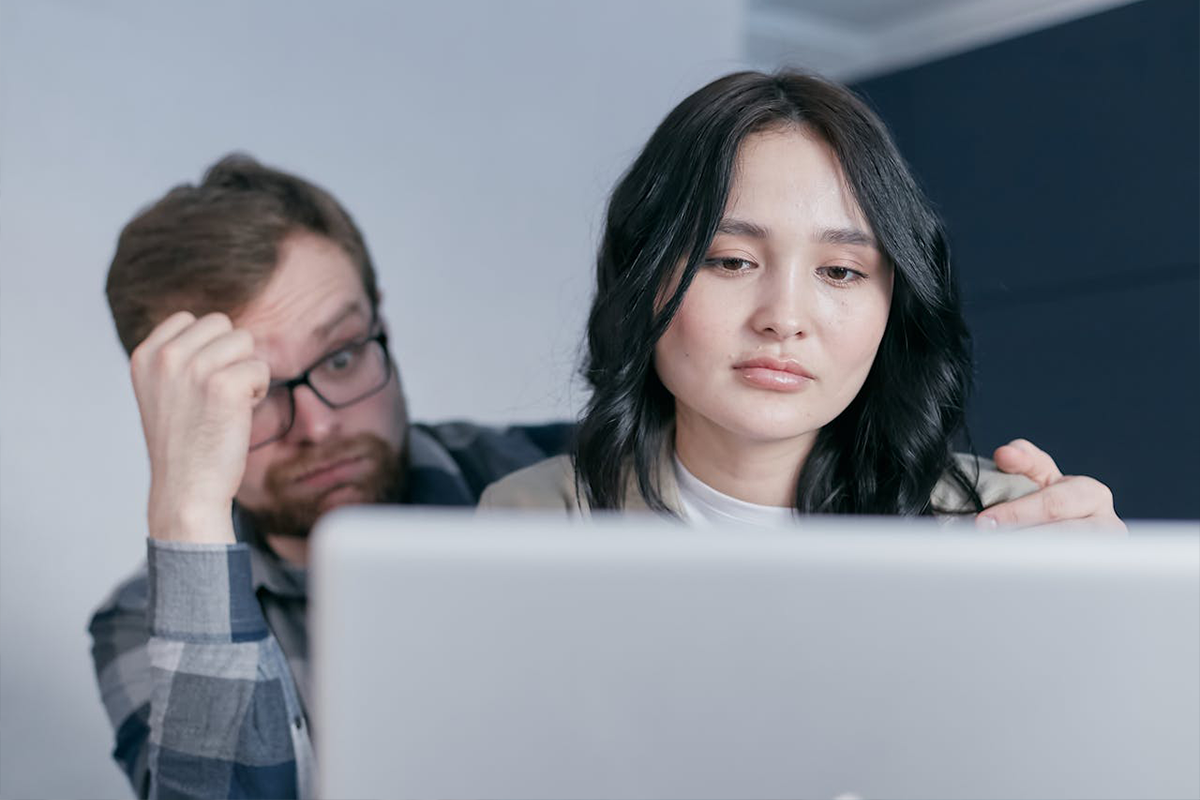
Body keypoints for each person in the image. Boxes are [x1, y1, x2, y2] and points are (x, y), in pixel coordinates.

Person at [90, 148, 1116, 799]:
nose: (316, 420)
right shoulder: (152, 620)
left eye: (346, 354)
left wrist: (1080, 594)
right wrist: (187, 507)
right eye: (252, 392)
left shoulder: (552, 477)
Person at [479, 70, 1123, 529]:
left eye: (841, 272)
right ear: (643, 282)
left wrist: (1119, 624)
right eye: (730, 261)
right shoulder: (536, 516)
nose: (783, 319)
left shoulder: (1004, 520)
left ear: (894, 306)